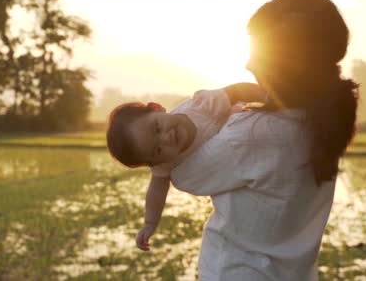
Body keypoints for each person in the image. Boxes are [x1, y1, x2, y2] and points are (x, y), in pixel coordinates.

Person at [169, 0, 359, 280]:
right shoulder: (323, 122)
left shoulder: (256, 132)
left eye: (258, 53)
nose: (247, 63)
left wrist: (219, 99)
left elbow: (184, 174)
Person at [105, 83, 265, 251]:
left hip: (247, 128)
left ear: (157, 108)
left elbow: (236, 91)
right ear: (155, 163)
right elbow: (157, 188)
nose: (165, 138)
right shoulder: (165, 165)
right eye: (158, 150)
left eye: (157, 128)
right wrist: (150, 223)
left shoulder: (200, 105)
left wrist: (268, 96)